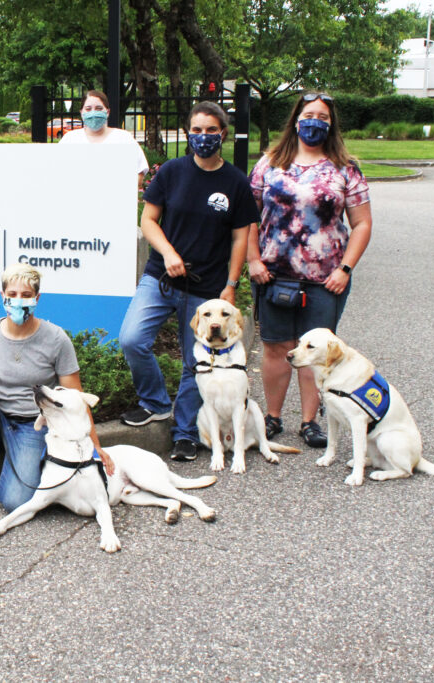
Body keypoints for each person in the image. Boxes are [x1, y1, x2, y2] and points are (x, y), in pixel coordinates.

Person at [118, 101, 259, 462]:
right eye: (196, 130)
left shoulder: (236, 182)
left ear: (223, 134)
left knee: (195, 362)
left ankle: (184, 433)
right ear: (187, 133)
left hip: (207, 287)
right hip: (160, 276)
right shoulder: (171, 173)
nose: (203, 137)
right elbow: (149, 220)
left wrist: (230, 285)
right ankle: (155, 403)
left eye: (211, 130)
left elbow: (241, 237)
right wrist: (167, 252)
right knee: (132, 338)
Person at [247, 92, 372, 448]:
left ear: (331, 124)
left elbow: (361, 223)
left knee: (315, 352)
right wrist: (253, 260)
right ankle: (272, 418)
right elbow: (247, 217)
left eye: (322, 116)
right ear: (295, 120)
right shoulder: (269, 164)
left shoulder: (345, 167)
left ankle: (308, 422)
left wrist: (345, 268)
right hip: (272, 274)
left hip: (326, 279)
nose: (314, 121)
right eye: (308, 114)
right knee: (275, 348)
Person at [0, 263, 114, 511]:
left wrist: (95, 448)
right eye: (12, 295)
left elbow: (76, 398)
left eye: (25, 295)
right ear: (2, 296)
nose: (18, 301)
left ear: (37, 297)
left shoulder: (56, 339)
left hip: (33, 426)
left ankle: (26, 457)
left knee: (15, 501)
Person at [59, 90, 149, 188]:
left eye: (98, 108)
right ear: (81, 112)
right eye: (88, 109)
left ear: (107, 112)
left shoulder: (123, 138)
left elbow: (139, 172)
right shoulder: (70, 139)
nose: (93, 112)